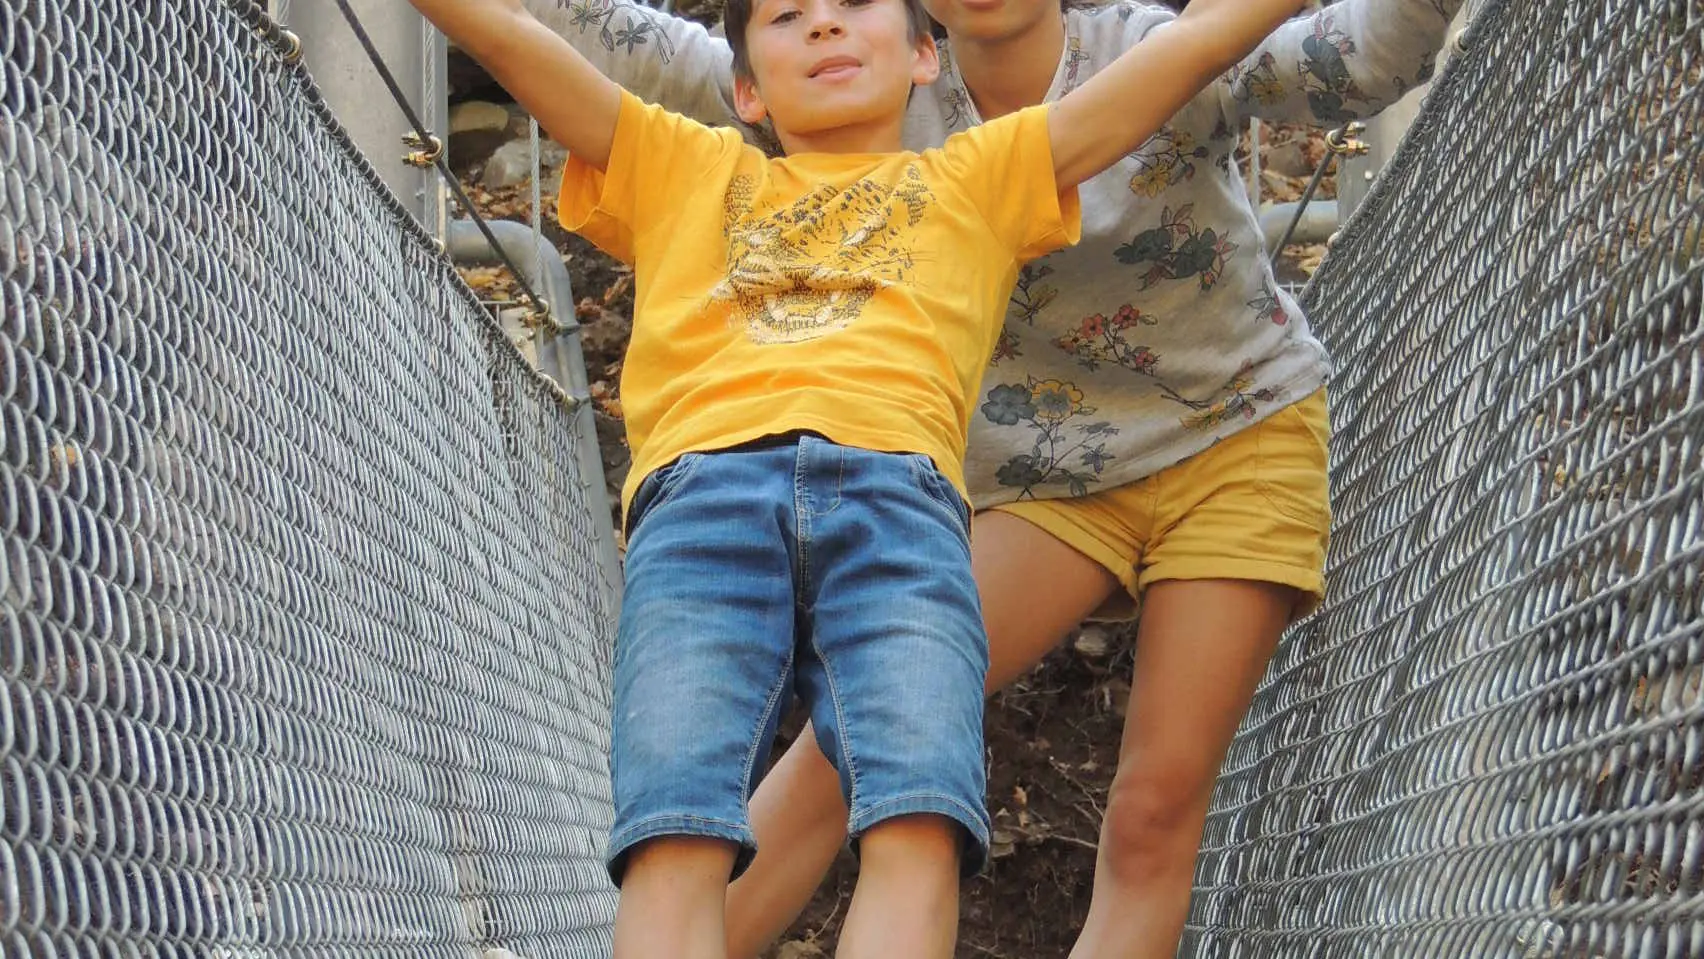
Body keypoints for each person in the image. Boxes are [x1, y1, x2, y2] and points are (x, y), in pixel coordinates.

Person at [523, 0, 1468, 955]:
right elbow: (635, 48)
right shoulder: (870, 77)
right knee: (838, 746)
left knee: (1151, 807)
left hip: (1234, 431)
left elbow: (1353, 58)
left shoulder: (1140, 56)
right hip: (1053, 470)